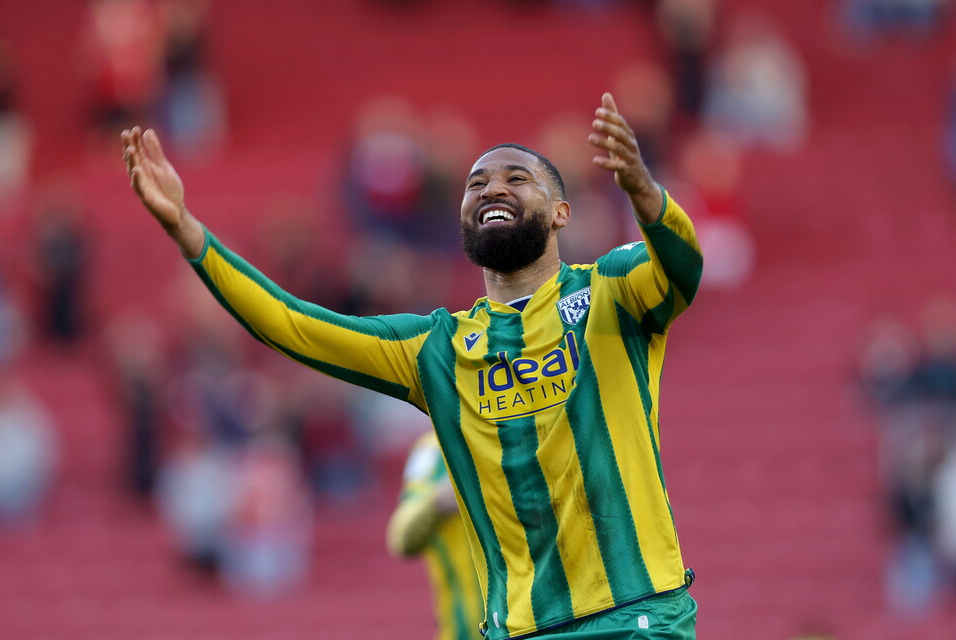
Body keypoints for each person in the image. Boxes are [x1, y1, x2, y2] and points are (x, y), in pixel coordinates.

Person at [121, 91, 703, 639]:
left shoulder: (611, 292)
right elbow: (295, 326)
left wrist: (646, 195)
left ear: (560, 213)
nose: (491, 188)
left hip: (635, 615)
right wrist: (188, 232)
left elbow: (683, 268)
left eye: (515, 178)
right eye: (476, 184)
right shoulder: (437, 350)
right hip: (522, 628)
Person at [387, 432, 485, 640]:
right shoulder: (432, 449)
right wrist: (440, 500)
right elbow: (402, 537)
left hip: (532, 625)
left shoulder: (523, 431)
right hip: (462, 631)